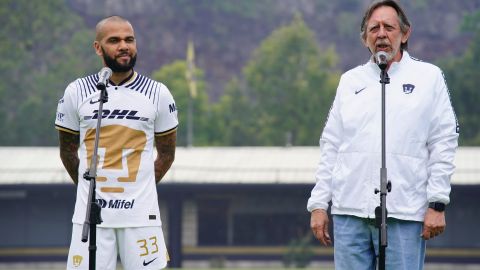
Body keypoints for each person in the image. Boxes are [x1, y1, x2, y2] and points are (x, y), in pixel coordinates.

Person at [307, 1, 459, 269]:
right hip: (349, 213)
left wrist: (437, 203)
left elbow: (443, 142)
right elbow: (331, 145)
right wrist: (319, 204)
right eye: (373, 28)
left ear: (405, 33)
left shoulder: (429, 78)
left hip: (404, 212)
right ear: (365, 38)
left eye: (389, 27)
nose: (381, 34)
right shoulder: (350, 81)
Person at [55, 15, 178, 270]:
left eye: (129, 39)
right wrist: (90, 192)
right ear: (98, 48)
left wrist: (139, 187)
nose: (124, 46)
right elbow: (68, 152)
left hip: (141, 216)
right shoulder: (76, 91)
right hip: (91, 218)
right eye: (114, 40)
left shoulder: (158, 93)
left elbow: (166, 155)